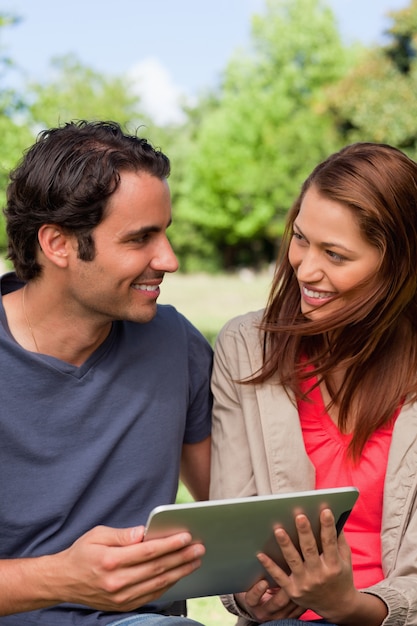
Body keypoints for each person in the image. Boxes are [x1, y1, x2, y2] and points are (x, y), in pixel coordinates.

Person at [0, 120, 213, 625]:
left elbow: (223, 502)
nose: (170, 259)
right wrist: (58, 578)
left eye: (165, 233)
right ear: (58, 244)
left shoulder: (174, 341)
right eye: (140, 239)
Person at [210, 142, 417, 625]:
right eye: (301, 239)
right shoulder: (247, 346)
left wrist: (348, 606)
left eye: (336, 255)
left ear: (399, 267)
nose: (305, 268)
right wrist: (250, 596)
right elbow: (233, 531)